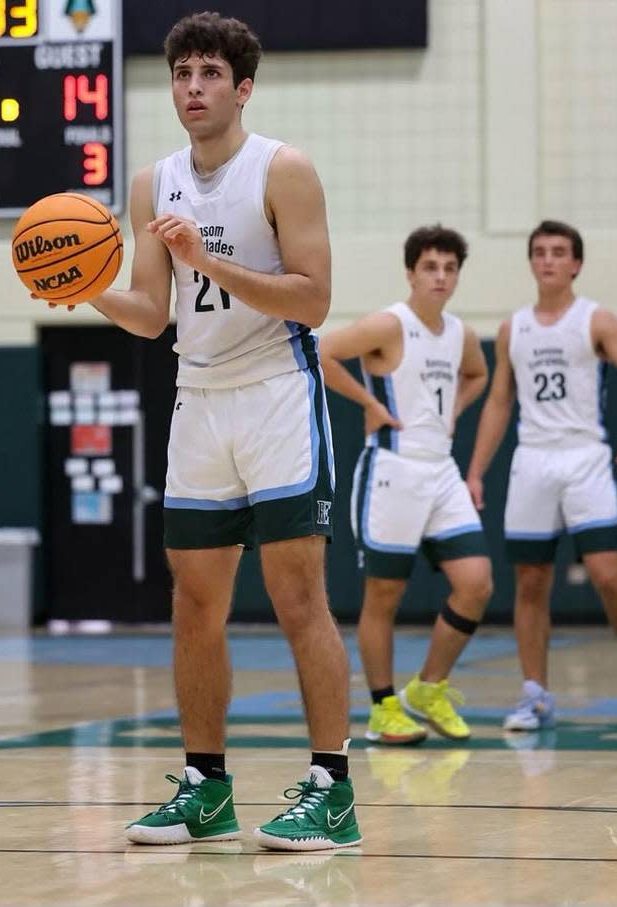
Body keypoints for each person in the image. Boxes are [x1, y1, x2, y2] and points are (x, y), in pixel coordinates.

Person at [54, 12, 360, 850]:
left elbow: (313, 298)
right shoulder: (153, 183)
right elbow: (153, 314)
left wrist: (209, 258)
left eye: (210, 74)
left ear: (243, 87)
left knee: (300, 600)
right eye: (183, 73)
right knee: (194, 604)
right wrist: (83, 285)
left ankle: (332, 789)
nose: (193, 87)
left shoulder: (283, 169)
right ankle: (205, 786)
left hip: (275, 396)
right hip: (199, 397)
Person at [465, 219, 617, 731]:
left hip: (585, 457)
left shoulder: (595, 320)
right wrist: (475, 471)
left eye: (559, 252)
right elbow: (498, 401)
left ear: (576, 263)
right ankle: (536, 695)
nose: (548, 260)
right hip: (533, 460)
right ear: (531, 262)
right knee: (531, 581)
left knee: (607, 572)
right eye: (540, 252)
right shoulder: (514, 328)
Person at [318, 225, 492, 746]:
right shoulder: (389, 324)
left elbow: (478, 375)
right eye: (431, 267)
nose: (440, 277)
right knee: (384, 594)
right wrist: (370, 405)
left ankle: (429, 688)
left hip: (442, 470)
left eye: (450, 268)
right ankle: (382, 707)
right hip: (392, 470)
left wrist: (455, 412)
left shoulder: (461, 333)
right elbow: (321, 352)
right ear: (411, 272)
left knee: (477, 583)